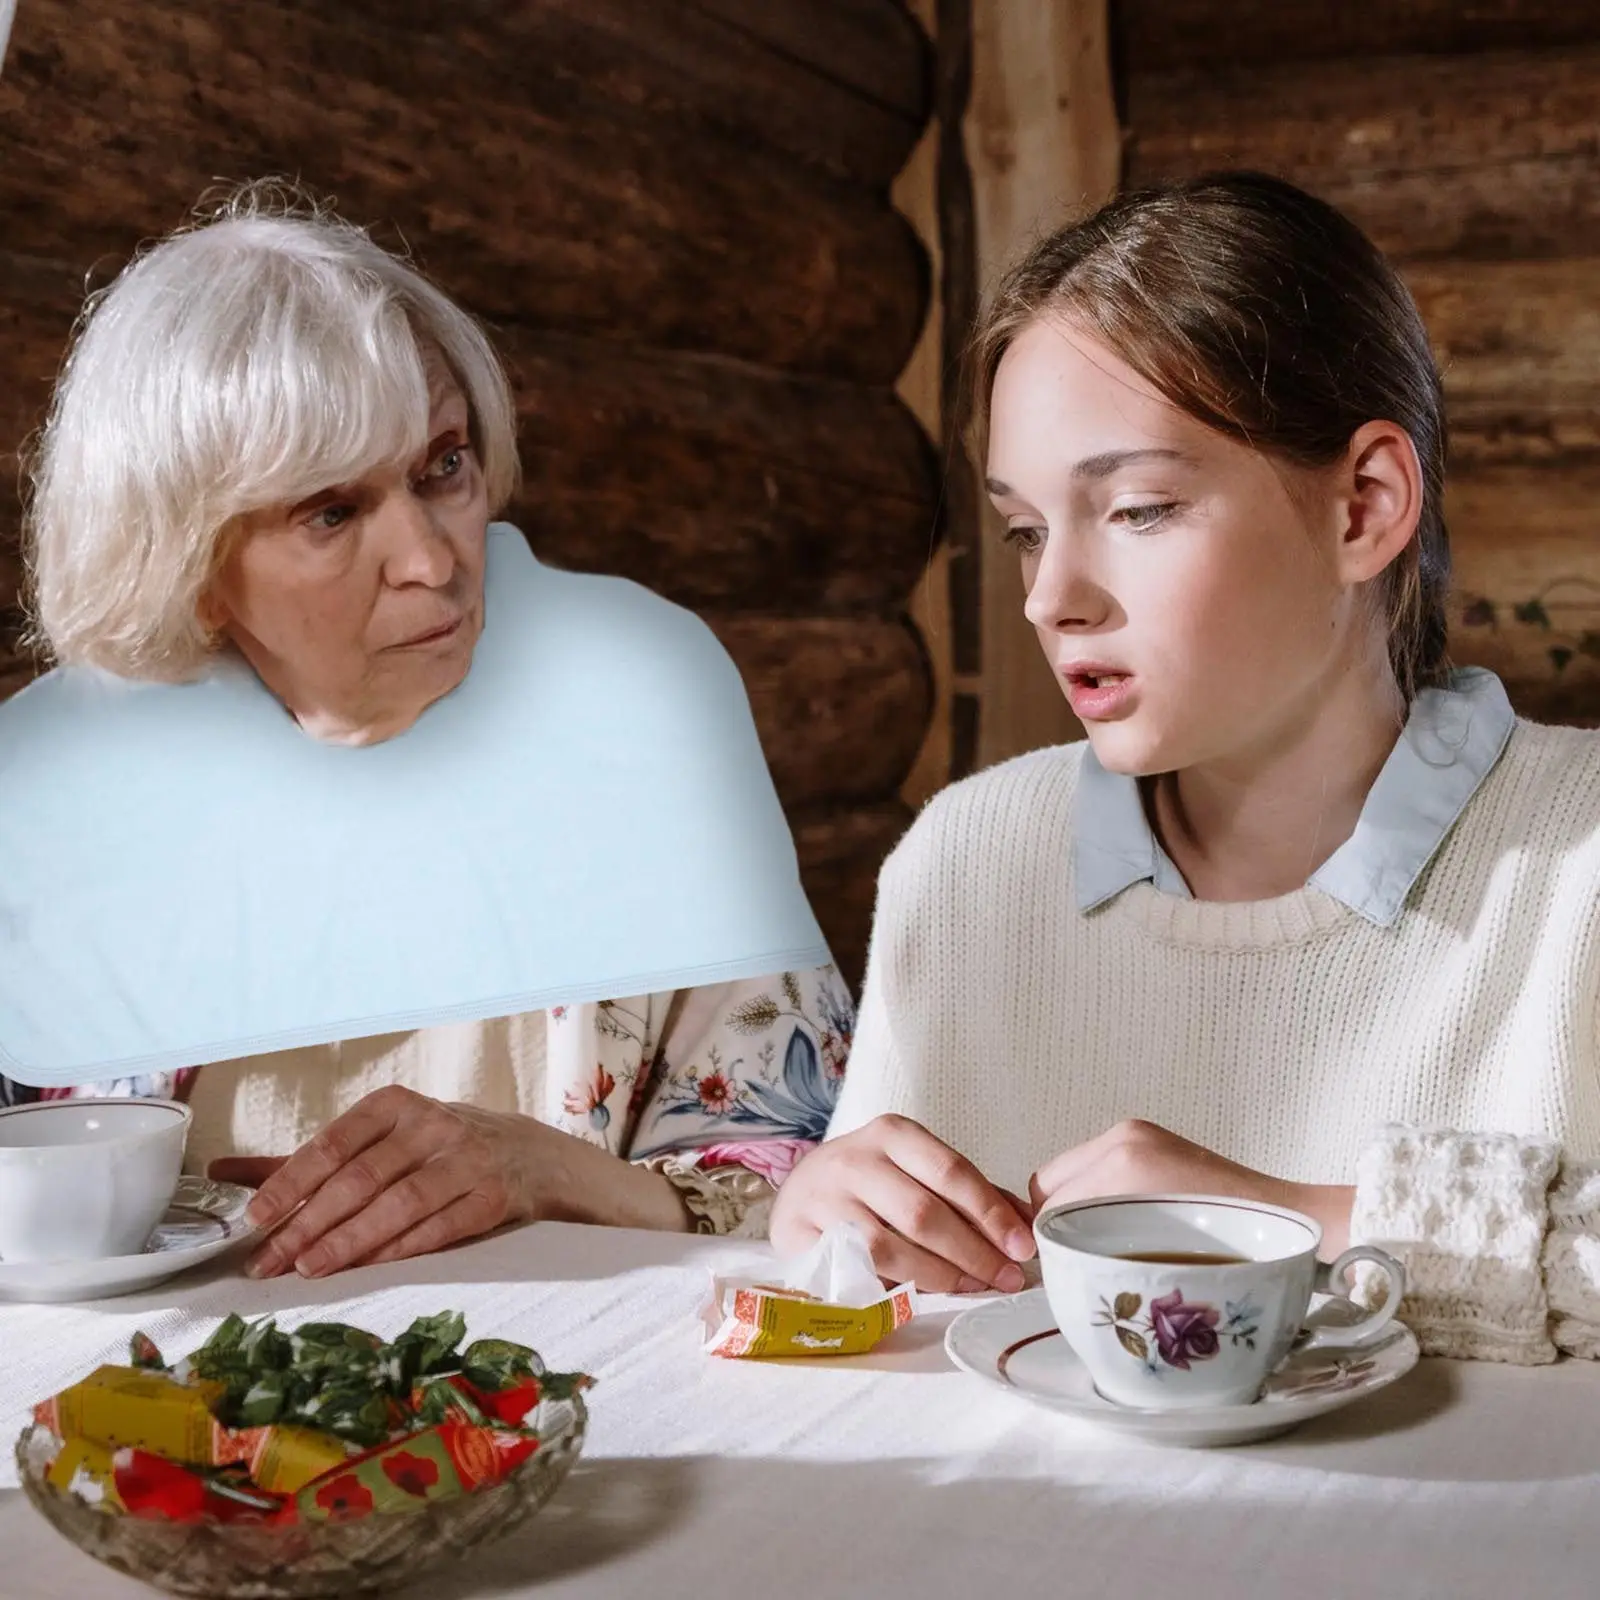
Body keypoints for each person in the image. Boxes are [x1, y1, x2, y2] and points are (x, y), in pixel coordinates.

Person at [772, 170, 1600, 1364]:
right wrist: (829, 1223)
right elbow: (874, 1311)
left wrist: (1288, 1227)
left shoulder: (1576, 854)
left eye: (1141, 508)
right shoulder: (966, 858)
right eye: (1023, 530)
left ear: (1363, 506)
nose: (1053, 599)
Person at [7, 182, 855, 1273]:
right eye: (332, 510)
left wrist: (548, 1170)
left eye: (441, 467)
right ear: (194, 571)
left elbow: (826, 1194)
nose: (434, 558)